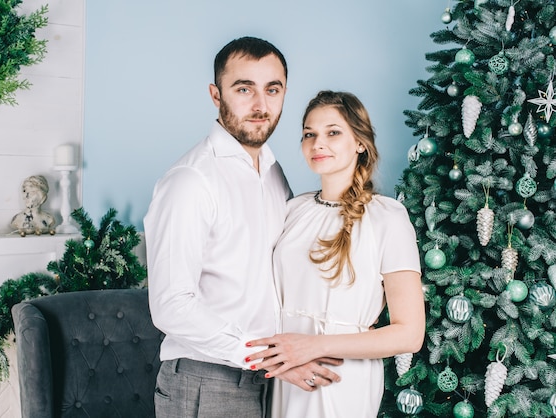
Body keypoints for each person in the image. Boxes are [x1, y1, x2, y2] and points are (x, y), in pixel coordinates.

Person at [144, 38, 342, 418]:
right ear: (216, 95)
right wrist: (273, 359)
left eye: (272, 89)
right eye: (243, 88)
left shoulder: (272, 171)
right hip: (208, 380)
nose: (260, 105)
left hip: (267, 379)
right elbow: (171, 306)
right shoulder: (190, 181)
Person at [245, 90, 426, 417]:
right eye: (309, 134)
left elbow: (410, 333)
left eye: (333, 132)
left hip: (341, 375)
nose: (318, 144)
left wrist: (315, 345)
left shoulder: (388, 217)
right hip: (285, 373)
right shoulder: (292, 209)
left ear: (360, 142)